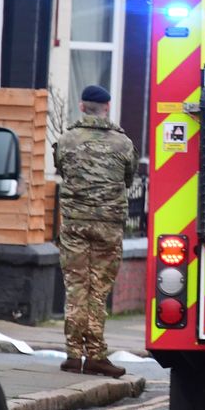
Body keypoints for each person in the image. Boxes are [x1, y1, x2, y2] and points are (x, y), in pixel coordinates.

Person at [54, 85, 137, 378]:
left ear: (81, 105)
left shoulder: (66, 140)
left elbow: (62, 171)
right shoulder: (123, 143)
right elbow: (129, 178)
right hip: (108, 226)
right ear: (107, 106)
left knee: (77, 287)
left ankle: (74, 355)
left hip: (75, 224)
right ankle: (97, 354)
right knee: (98, 290)